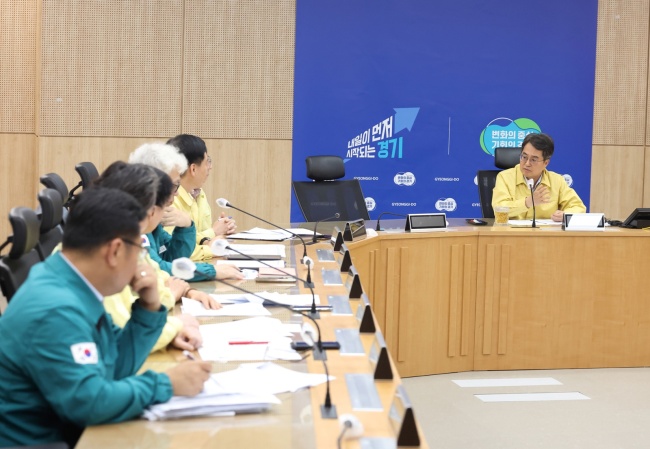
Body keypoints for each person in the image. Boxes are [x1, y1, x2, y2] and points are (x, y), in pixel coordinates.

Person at [0, 187, 211, 447]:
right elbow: (88, 403)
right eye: (139, 251)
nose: (143, 263)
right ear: (115, 251)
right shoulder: (57, 308)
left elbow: (116, 362)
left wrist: (148, 310)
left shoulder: (74, 282)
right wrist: (166, 384)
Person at [95, 161, 218, 354]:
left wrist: (186, 291)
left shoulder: (124, 239)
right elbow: (123, 338)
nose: (172, 199)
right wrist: (173, 324)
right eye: (172, 188)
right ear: (151, 211)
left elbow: (157, 274)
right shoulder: (113, 249)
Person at [128, 143, 243, 281]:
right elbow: (157, 269)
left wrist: (186, 226)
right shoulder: (133, 220)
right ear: (155, 183)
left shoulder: (153, 220)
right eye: (175, 185)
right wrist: (211, 271)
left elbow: (172, 258)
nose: (176, 193)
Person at [166, 134, 236, 262]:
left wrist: (218, 235)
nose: (210, 166)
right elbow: (172, 251)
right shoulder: (169, 200)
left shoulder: (198, 193)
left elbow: (199, 238)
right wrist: (212, 239)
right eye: (207, 161)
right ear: (193, 169)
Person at [492, 133, 586, 222]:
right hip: (512, 233)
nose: (527, 163)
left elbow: (579, 207)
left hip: (545, 233)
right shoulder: (505, 177)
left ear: (546, 163)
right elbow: (498, 209)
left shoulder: (557, 181)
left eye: (533, 160)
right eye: (524, 157)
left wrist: (565, 215)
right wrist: (527, 202)